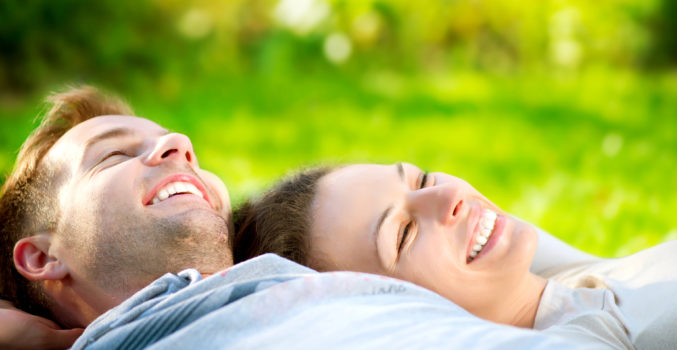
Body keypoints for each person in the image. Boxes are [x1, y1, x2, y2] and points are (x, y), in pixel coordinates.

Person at [0, 86, 613, 349]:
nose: (179, 143)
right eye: (111, 156)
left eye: (176, 142)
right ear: (41, 257)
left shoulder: (294, 273)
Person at [234, 162, 677, 350]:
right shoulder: (609, 337)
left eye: (422, 179)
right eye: (404, 233)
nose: (446, 199)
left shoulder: (553, 278)